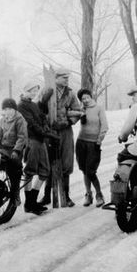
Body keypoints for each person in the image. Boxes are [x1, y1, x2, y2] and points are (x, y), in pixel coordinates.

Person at [39, 67, 83, 207]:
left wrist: (70, 121)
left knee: (66, 162)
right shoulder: (45, 90)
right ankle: (47, 196)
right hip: (49, 131)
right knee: (48, 162)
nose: (66, 80)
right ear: (56, 78)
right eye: (64, 77)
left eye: (67, 78)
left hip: (65, 132)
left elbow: (78, 111)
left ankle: (66, 196)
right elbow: (37, 108)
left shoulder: (70, 93)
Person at [17, 81, 57, 215]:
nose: (34, 93)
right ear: (25, 91)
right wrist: (45, 132)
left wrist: (47, 129)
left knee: (45, 171)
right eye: (31, 90)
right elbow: (31, 123)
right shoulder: (21, 106)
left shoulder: (33, 104)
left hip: (40, 140)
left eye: (36, 91)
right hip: (31, 140)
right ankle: (29, 204)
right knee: (30, 171)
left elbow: (41, 117)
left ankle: (32, 201)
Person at [0, 98, 28, 207]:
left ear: (14, 109)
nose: (7, 112)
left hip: (14, 148)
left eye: (10, 109)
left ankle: (15, 192)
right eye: (5, 109)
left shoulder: (20, 120)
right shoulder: (2, 120)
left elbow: (22, 137)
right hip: (3, 147)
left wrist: (16, 151)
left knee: (14, 167)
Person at [76, 88, 108, 207]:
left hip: (93, 143)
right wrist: (79, 113)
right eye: (83, 99)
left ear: (91, 96)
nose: (85, 100)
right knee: (84, 170)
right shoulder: (82, 109)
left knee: (91, 171)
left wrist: (99, 140)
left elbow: (105, 126)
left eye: (87, 97)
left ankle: (99, 195)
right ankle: (88, 194)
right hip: (81, 142)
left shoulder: (99, 108)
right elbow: (70, 114)